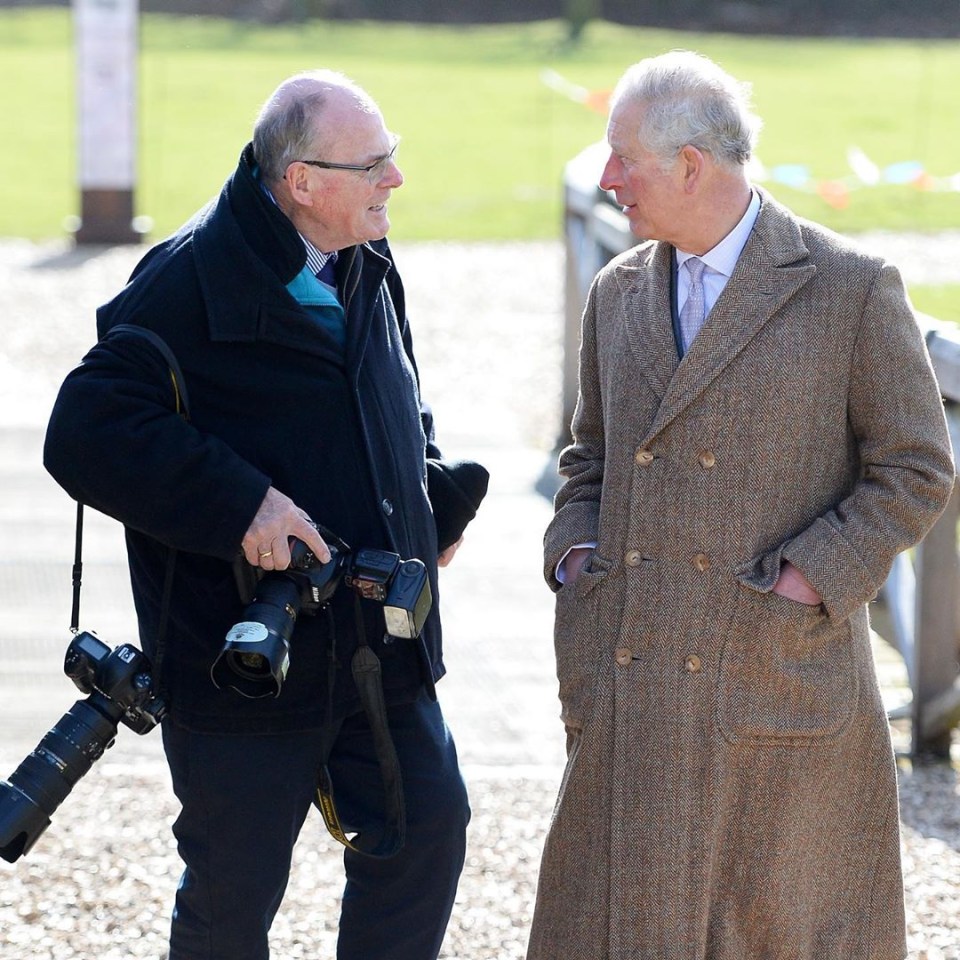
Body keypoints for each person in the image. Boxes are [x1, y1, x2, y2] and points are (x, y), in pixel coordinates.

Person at [44, 70, 488, 960]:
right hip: (241, 663)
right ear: (302, 184)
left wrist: (425, 496)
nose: (395, 179)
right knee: (232, 898)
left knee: (429, 835)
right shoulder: (179, 283)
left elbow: (392, 388)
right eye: (376, 164)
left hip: (379, 643)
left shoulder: (362, 254)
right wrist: (241, 501)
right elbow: (85, 431)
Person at [527, 50, 955, 960]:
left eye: (622, 159)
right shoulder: (619, 290)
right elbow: (588, 457)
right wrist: (574, 556)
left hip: (773, 683)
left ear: (691, 165)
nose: (605, 179)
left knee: (777, 930)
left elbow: (917, 466)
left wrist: (816, 575)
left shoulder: (850, 287)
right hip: (632, 682)